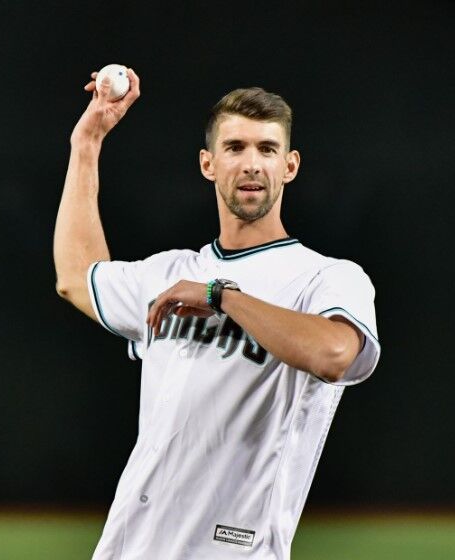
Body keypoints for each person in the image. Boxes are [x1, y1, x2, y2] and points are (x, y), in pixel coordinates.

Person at [54, 68, 381, 560]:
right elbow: (77, 278)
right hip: (129, 547)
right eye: (235, 148)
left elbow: (334, 353)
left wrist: (221, 296)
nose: (252, 164)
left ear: (290, 166)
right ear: (208, 164)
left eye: (267, 149)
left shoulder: (327, 278)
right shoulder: (172, 273)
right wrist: (88, 142)